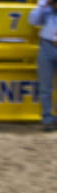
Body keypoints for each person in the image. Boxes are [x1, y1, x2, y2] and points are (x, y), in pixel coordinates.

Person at [29, 0, 57, 131]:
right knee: (46, 86)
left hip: (48, 45)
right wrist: (43, 4)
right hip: (47, 45)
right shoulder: (47, 10)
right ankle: (47, 119)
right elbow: (33, 21)